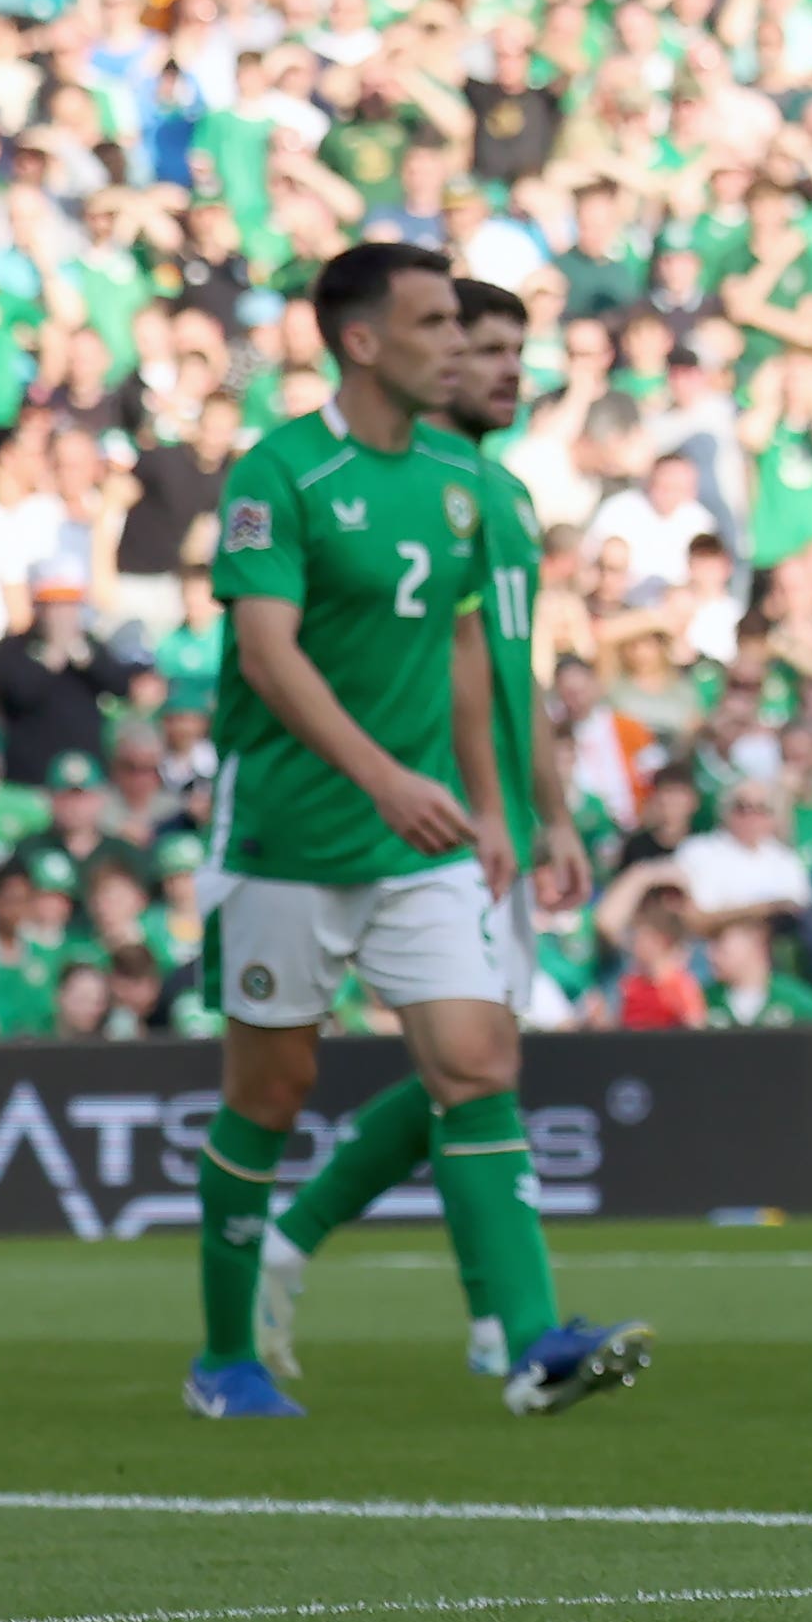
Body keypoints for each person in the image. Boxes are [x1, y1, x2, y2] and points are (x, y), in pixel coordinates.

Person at [182, 244, 643, 1421]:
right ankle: (225, 1355)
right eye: (438, 324)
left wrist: (496, 806)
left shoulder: (464, 484)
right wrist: (383, 774)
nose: (463, 344)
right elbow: (266, 655)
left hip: (422, 835)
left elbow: (465, 656)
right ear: (363, 342)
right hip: (289, 834)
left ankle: (533, 1344)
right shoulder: (276, 473)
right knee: (272, 1094)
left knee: (477, 1061)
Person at [257, 276, 582, 1382]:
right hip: (404, 812)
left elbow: (512, 669)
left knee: (478, 1060)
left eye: (508, 349)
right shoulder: (424, 495)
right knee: (472, 1060)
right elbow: (463, 679)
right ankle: (496, 1314)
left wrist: (553, 811)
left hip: (474, 811)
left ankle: (484, 1311)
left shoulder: (499, 496)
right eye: (473, 343)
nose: (499, 368)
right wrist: (500, 804)